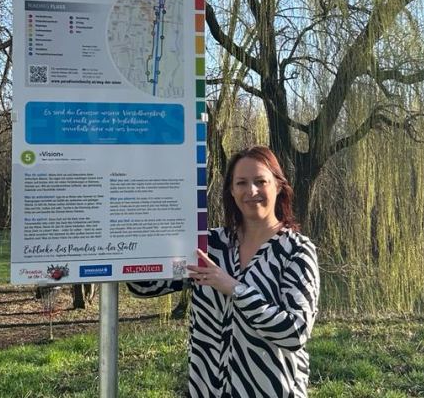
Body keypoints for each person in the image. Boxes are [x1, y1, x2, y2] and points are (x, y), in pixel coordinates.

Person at [128, 145, 320, 397]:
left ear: (278, 185)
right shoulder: (209, 245)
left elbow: (294, 332)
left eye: (260, 181)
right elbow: (145, 286)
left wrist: (235, 288)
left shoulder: (296, 250)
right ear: (231, 190)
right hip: (207, 389)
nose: (251, 191)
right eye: (241, 183)